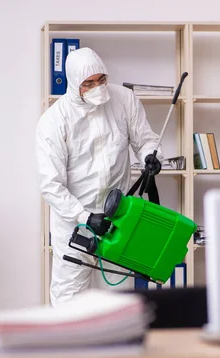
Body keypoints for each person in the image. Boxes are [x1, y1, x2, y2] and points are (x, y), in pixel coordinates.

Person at [35, 47, 163, 306]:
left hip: (118, 218)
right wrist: (85, 217)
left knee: (117, 302)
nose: (98, 87)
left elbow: (146, 140)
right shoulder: (53, 121)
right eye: (89, 83)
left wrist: (151, 156)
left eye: (101, 79)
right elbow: (51, 185)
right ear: (74, 85)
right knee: (68, 303)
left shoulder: (124, 99)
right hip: (75, 224)